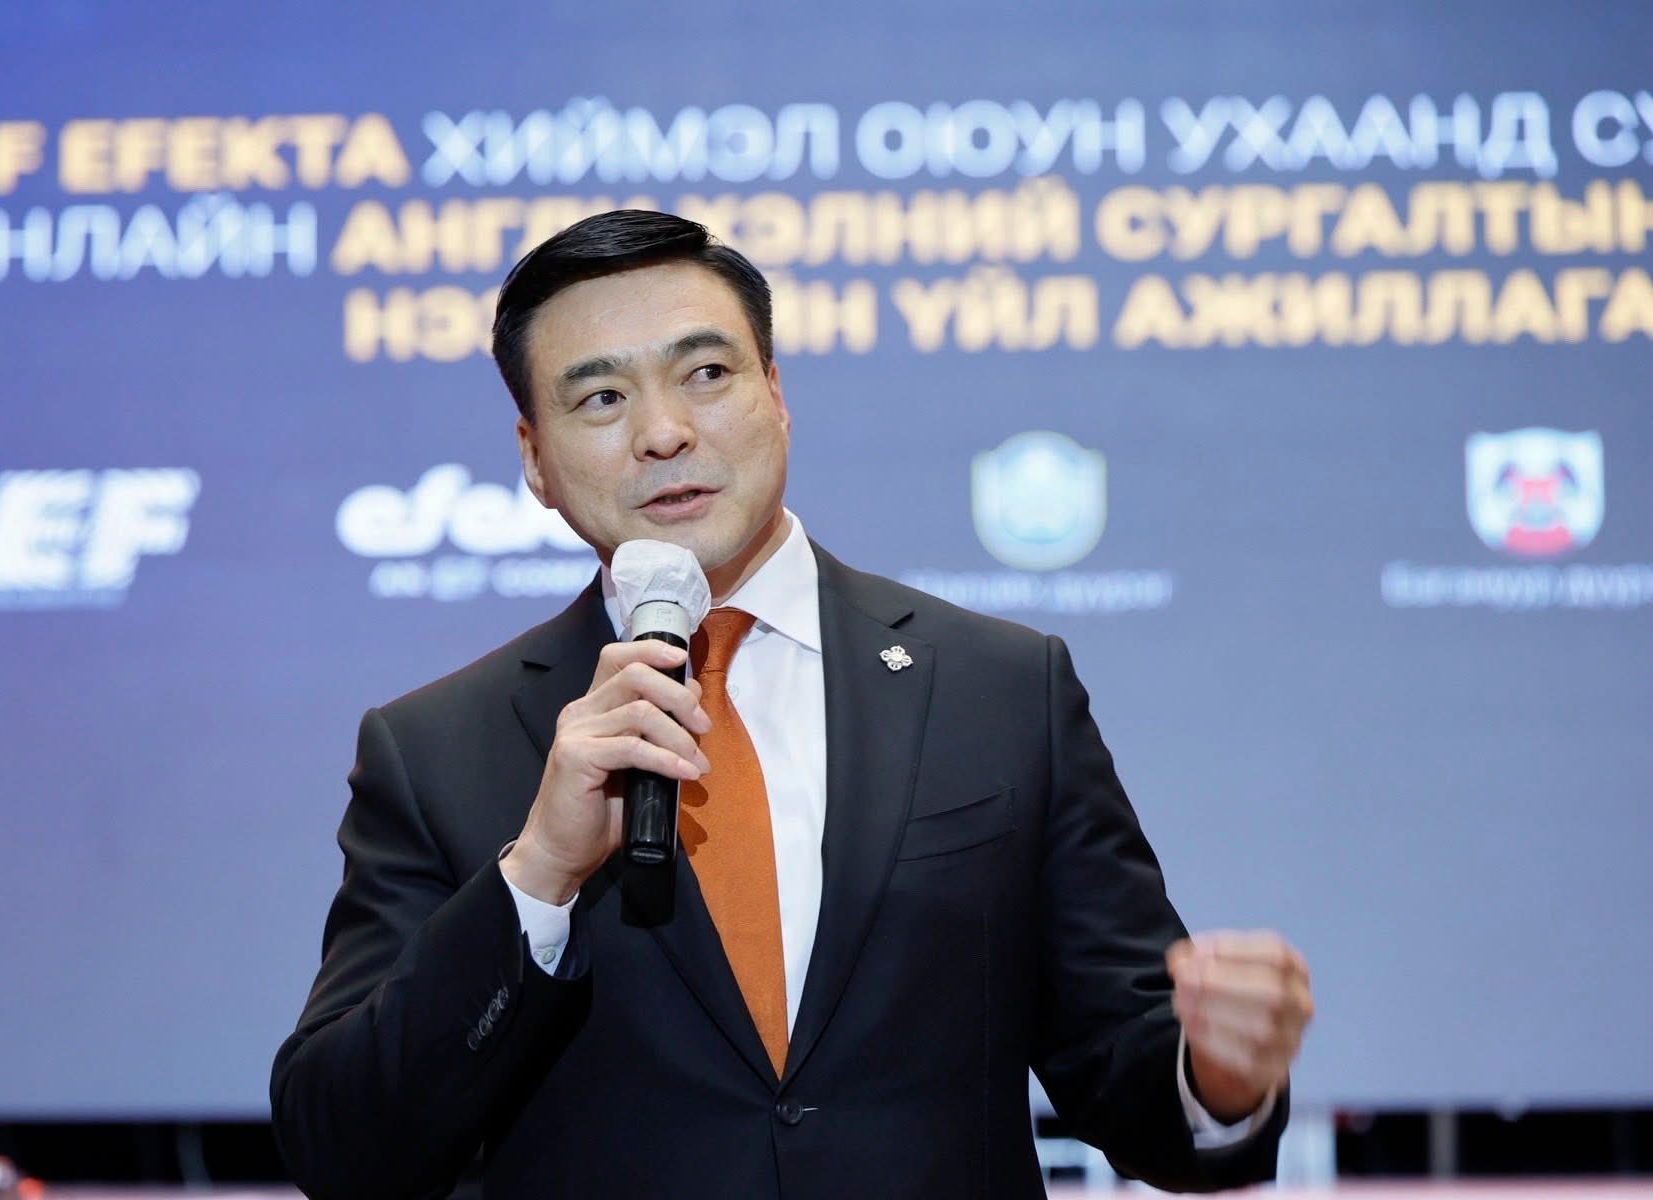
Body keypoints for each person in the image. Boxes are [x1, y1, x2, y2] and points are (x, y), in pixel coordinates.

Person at [270, 210, 1314, 1199]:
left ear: (776, 394)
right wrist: (538, 875)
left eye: (707, 374)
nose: (664, 432)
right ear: (535, 459)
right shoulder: (434, 750)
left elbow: (1127, 1069)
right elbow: (347, 1152)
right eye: (601, 399)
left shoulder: (999, 688)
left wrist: (1217, 1078)